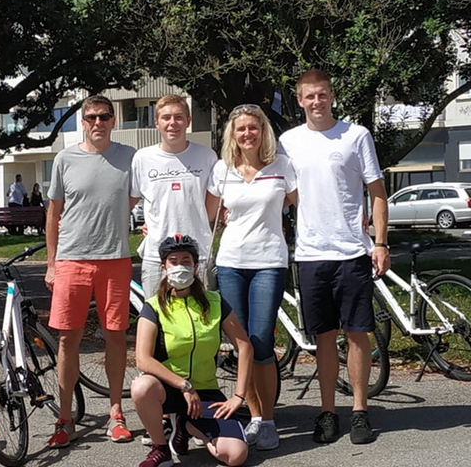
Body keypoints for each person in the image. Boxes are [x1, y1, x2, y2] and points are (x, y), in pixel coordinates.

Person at [278, 69, 390, 445]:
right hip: (310, 255)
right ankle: (327, 411)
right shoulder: (288, 141)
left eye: (322, 95)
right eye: (309, 96)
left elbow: (376, 191)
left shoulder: (356, 135)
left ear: (331, 95)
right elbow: (284, 194)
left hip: (352, 251)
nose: (316, 102)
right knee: (323, 337)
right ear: (299, 100)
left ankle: (359, 411)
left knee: (358, 334)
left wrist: (380, 242)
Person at [45, 95, 136, 448]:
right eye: (91, 117)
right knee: (69, 339)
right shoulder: (65, 159)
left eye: (104, 117)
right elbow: (54, 213)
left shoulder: (129, 157)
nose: (98, 123)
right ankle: (65, 418)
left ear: (114, 121)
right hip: (72, 260)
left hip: (115, 258)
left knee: (115, 336)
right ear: (82, 122)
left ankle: (116, 413)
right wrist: (52, 263)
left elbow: (142, 196)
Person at [207, 104, 296, 451]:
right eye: (241, 129)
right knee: (241, 343)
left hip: (269, 263)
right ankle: (256, 417)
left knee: (261, 343)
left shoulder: (283, 167)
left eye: (253, 128)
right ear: (233, 133)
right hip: (230, 263)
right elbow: (208, 216)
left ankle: (269, 420)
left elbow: (304, 205)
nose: (247, 134)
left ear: (263, 132)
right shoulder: (222, 170)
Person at [133, 234, 252, 467]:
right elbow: (143, 359)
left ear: (196, 266)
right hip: (168, 389)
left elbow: (245, 346)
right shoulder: (154, 307)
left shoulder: (215, 301)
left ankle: (186, 426)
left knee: (236, 456)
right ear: (164, 267)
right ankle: (161, 449)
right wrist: (183, 385)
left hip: (206, 391)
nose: (180, 266)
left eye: (186, 260)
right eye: (173, 261)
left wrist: (238, 396)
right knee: (141, 386)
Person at [131, 94, 218, 298]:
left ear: (188, 121)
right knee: (157, 320)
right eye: (166, 117)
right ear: (156, 123)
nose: (173, 123)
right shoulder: (142, 158)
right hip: (157, 257)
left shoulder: (207, 156)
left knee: (203, 320)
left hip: (199, 256)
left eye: (179, 117)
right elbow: (128, 201)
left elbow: (212, 208)